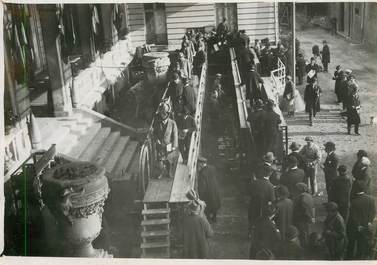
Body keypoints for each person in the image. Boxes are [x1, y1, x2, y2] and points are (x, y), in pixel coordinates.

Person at [346, 181, 376, 260]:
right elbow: (373, 213)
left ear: (355, 189)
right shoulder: (371, 199)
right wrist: (368, 223)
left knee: (351, 244)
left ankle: (349, 259)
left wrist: (358, 225)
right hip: (366, 226)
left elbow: (353, 217)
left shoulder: (354, 201)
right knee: (362, 244)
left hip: (355, 227)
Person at [248, 165, 276, 238]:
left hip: (253, 205)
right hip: (263, 207)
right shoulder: (270, 186)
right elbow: (272, 200)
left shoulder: (255, 182)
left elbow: (249, 192)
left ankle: (250, 233)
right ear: (270, 174)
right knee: (261, 221)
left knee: (252, 219)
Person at [153, 105, 179, 178]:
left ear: (167, 115)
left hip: (169, 145)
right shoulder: (157, 123)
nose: (163, 116)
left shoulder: (172, 123)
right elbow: (154, 133)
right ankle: (161, 172)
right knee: (160, 159)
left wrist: (174, 146)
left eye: (164, 114)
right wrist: (156, 139)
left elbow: (175, 135)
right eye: (161, 114)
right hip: (160, 144)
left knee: (169, 160)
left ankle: (169, 172)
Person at [197, 157, 221, 223]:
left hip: (208, 192)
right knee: (215, 203)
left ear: (201, 164)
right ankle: (214, 217)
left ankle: (209, 219)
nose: (198, 166)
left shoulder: (202, 173)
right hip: (215, 189)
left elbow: (203, 185)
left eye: (199, 164)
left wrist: (200, 195)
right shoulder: (212, 168)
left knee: (208, 205)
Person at [293, 182, 315, 247]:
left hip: (302, 220)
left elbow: (304, 208)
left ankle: (305, 249)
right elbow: (312, 207)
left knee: (303, 235)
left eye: (296, 189)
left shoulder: (301, 197)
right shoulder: (308, 195)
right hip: (307, 219)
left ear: (299, 189)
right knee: (307, 234)